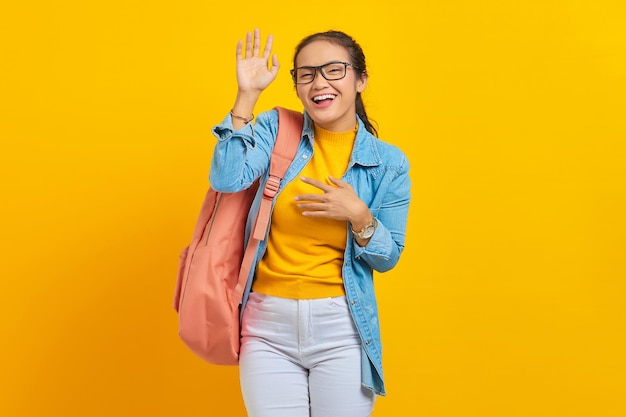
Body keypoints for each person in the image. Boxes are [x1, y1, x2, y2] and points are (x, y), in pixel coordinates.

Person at [209, 28, 411, 417]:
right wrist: (247, 96)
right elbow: (227, 178)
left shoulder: (389, 163)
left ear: (360, 80)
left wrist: (360, 216)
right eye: (306, 73)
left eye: (334, 70)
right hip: (267, 325)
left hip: (342, 327)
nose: (319, 82)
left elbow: (388, 259)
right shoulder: (275, 130)